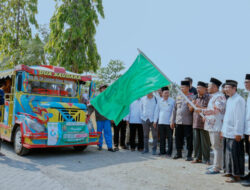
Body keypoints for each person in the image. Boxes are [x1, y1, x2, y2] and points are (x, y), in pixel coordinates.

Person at [198, 78, 226, 174]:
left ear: (214, 87)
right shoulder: (213, 96)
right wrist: (205, 114)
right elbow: (211, 109)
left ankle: (217, 167)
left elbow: (216, 110)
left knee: (217, 147)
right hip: (212, 125)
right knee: (215, 147)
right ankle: (217, 165)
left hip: (217, 126)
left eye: (209, 86)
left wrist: (202, 111)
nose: (207, 88)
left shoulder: (220, 97)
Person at [221, 80, 245, 183]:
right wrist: (222, 130)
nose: (225, 89)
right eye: (225, 87)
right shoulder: (230, 99)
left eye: (228, 88)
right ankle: (229, 171)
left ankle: (236, 175)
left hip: (235, 133)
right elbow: (227, 116)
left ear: (234, 88)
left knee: (235, 155)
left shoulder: (239, 100)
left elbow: (239, 118)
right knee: (228, 154)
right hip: (227, 131)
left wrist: (238, 132)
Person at [88, 84, 115, 152]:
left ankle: (109, 147)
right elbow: (91, 106)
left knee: (108, 133)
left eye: (106, 88)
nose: (105, 89)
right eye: (103, 88)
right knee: (99, 133)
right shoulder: (97, 98)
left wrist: (112, 117)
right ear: (100, 90)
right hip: (99, 118)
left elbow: (112, 109)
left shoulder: (109, 98)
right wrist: (88, 114)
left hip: (107, 119)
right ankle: (99, 145)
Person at [171, 80, 193, 161]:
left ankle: (189, 155)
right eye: (181, 87)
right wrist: (172, 120)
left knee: (189, 139)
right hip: (178, 121)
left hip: (188, 122)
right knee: (178, 138)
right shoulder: (178, 96)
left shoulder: (192, 96)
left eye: (183, 87)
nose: (181, 88)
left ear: (188, 88)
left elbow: (192, 110)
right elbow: (174, 109)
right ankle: (178, 153)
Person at [189, 81, 210, 164]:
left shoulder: (208, 97)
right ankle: (197, 157)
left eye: (200, 88)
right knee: (196, 142)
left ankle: (206, 159)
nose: (198, 89)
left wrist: (198, 106)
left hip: (204, 123)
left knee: (205, 142)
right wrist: (191, 104)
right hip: (195, 122)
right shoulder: (194, 97)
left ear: (205, 89)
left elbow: (208, 109)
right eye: (197, 88)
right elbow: (191, 110)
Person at [154, 86, 175, 157]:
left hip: (169, 123)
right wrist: (155, 121)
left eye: (168, 93)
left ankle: (169, 152)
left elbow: (174, 112)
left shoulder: (172, 101)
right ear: (162, 93)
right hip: (161, 122)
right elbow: (157, 111)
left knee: (169, 138)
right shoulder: (159, 101)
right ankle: (162, 151)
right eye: (165, 93)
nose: (166, 94)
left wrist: (173, 121)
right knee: (162, 138)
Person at [241, 74, 250, 187]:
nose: (245, 84)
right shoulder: (248, 95)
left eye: (247, 82)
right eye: (245, 82)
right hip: (247, 130)